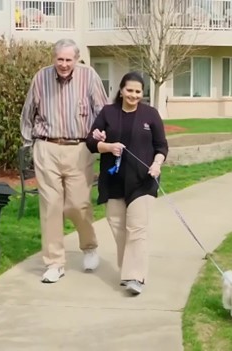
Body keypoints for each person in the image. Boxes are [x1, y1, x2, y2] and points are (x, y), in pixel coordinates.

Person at [20, 38, 109, 283]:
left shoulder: (89, 77)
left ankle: (89, 246)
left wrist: (102, 136)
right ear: (54, 58)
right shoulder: (41, 78)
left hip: (79, 148)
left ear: (77, 59)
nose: (64, 64)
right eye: (60, 59)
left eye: (69, 60)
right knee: (51, 207)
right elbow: (28, 113)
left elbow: (103, 111)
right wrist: (30, 144)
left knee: (78, 205)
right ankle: (54, 263)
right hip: (47, 147)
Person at [85, 72, 168, 295]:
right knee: (119, 228)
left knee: (137, 229)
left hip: (143, 181)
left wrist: (157, 164)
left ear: (142, 93)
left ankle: (135, 277)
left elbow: (162, 147)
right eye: (129, 90)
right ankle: (129, 270)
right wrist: (108, 146)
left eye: (137, 91)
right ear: (121, 90)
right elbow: (91, 142)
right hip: (113, 181)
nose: (133, 95)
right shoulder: (108, 113)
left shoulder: (150, 115)